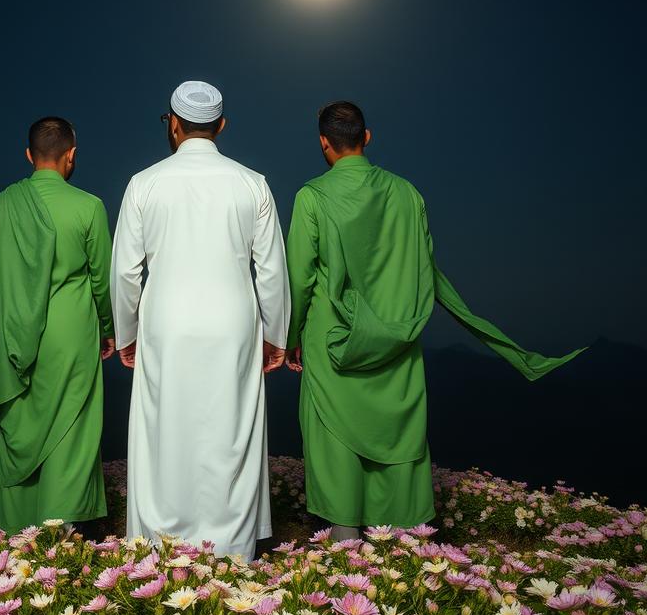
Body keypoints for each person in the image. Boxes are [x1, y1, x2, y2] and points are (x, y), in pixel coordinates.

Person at [285, 101, 587, 540]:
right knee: (397, 432)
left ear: (323, 143)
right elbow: (424, 268)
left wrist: (288, 337)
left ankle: (345, 543)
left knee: (334, 436)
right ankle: (400, 546)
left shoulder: (311, 196)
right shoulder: (409, 194)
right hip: (398, 338)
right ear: (367, 138)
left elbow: (300, 277)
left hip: (330, 339)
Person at [111, 81, 291, 561]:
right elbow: (271, 269)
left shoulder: (143, 182)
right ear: (221, 126)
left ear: (172, 124)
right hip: (233, 319)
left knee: (161, 430)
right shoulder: (252, 182)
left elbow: (126, 270)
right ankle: (231, 549)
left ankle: (159, 550)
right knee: (231, 431)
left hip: (165, 320)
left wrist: (125, 333)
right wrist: (276, 336)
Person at [0, 117, 114, 535]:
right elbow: (101, 281)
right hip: (71, 333)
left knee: (22, 423)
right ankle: (63, 530)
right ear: (71, 156)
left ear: (28, 155)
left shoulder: (2, 205)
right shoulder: (88, 206)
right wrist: (108, 330)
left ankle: (16, 533)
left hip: (13, 332)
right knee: (70, 428)